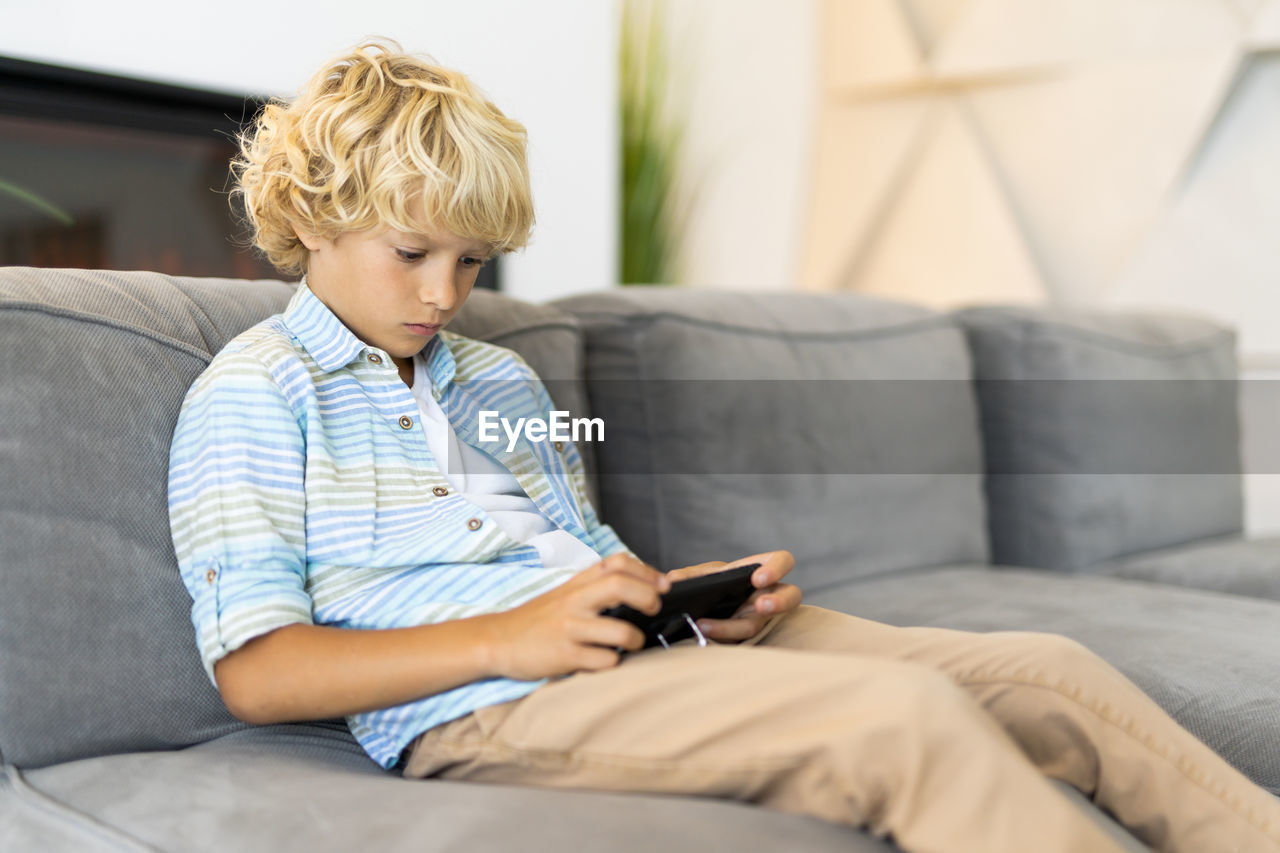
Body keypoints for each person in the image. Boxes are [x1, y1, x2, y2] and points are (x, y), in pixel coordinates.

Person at [167, 40, 1280, 853]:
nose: (444, 293)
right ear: (311, 217)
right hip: (486, 702)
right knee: (901, 718)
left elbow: (581, 558)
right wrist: (511, 637)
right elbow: (259, 670)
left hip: (645, 648)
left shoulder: (498, 379)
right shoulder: (257, 394)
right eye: (412, 251)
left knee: (1050, 670)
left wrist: (682, 602)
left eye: (470, 261)